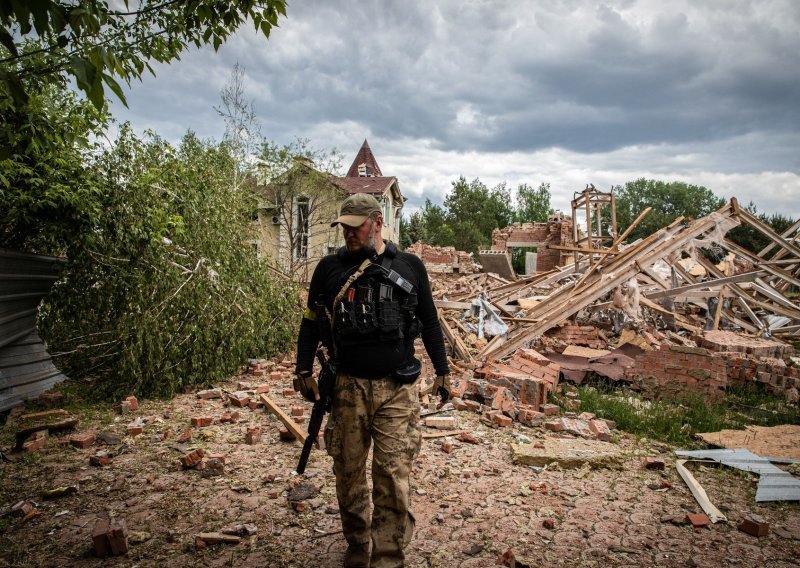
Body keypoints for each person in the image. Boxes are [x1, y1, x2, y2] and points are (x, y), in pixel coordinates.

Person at [294, 193, 451, 568]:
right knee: (347, 472)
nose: (348, 233)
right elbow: (311, 322)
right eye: (344, 227)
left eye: (356, 226)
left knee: (392, 475)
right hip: (347, 387)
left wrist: (443, 371)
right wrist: (303, 370)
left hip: (397, 388)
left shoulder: (410, 266)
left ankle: (388, 556)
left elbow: (429, 321)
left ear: (377, 222)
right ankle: (356, 543)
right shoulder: (328, 269)